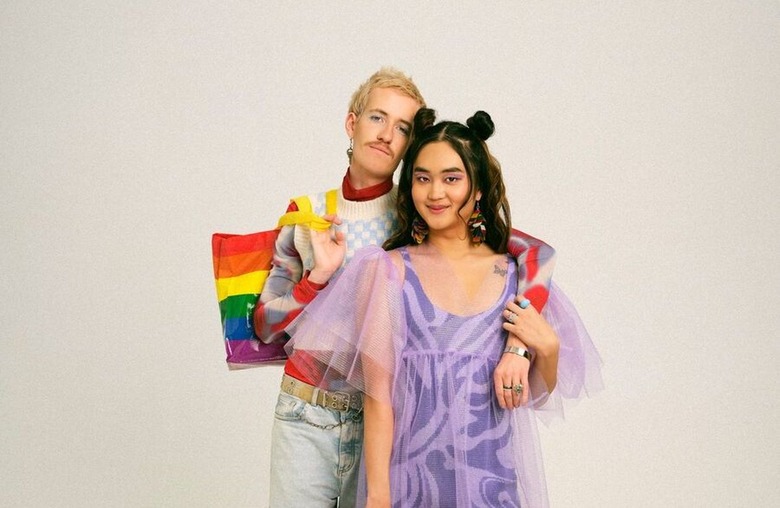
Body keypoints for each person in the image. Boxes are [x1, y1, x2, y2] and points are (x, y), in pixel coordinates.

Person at [285, 108, 603, 507]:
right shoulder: (387, 271)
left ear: (478, 188)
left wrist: (548, 349)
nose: (435, 193)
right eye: (422, 178)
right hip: (410, 483)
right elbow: (378, 395)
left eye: (451, 178)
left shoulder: (515, 276)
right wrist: (378, 495)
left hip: (493, 482)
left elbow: (530, 395)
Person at [253, 67, 426, 507]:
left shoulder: (417, 221)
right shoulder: (307, 213)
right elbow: (265, 326)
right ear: (352, 123)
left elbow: (517, 249)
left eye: (402, 127)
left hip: (382, 423)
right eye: (377, 117)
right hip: (305, 414)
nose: (386, 134)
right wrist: (317, 279)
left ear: (410, 144)